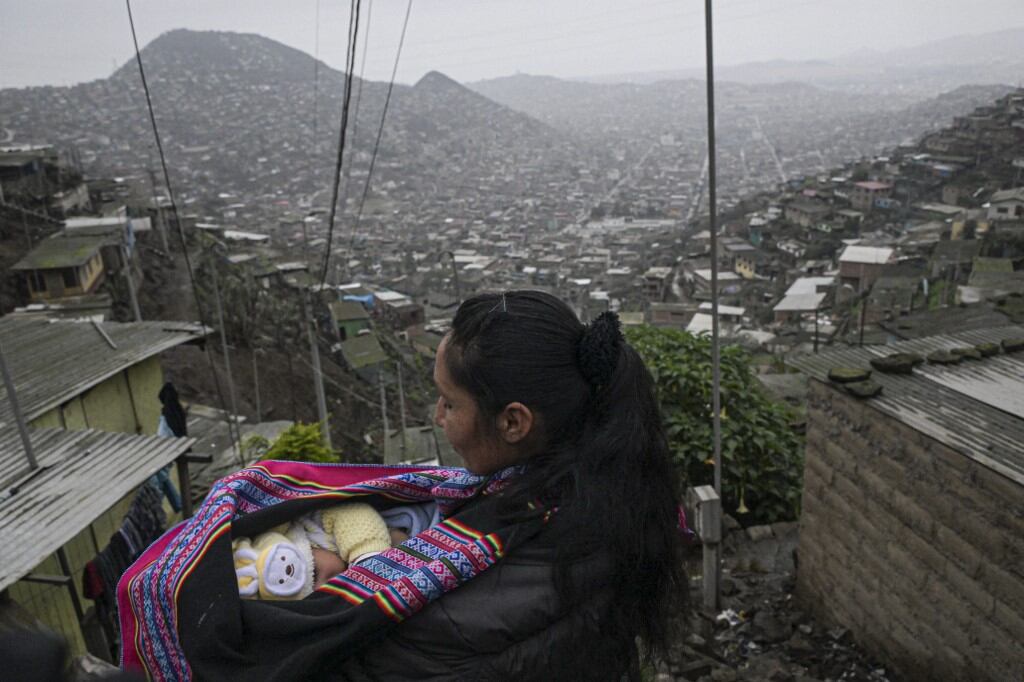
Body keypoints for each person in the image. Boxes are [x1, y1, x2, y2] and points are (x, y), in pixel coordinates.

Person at [333, 290, 683, 680]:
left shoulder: (530, 561)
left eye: (449, 403)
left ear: (513, 422)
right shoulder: (604, 495)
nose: (437, 416)